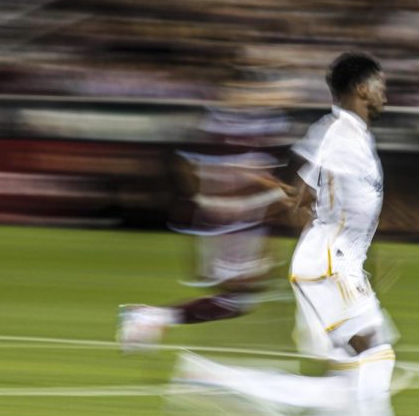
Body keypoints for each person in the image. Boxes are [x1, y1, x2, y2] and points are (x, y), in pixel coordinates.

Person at [172, 52, 419, 416]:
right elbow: (307, 198)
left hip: (336, 263)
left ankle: (235, 401)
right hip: (331, 265)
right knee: (376, 361)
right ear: (361, 90)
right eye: (380, 84)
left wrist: (362, 245)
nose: (384, 92)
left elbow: (306, 199)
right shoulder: (339, 134)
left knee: (347, 381)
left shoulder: (348, 134)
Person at [117, 77, 291, 350]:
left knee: (239, 299)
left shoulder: (217, 127)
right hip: (233, 223)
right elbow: (249, 176)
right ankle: (147, 317)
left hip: (235, 221)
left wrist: (203, 199)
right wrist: (280, 192)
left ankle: (150, 317)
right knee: (239, 297)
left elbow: (186, 165)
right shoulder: (243, 132)